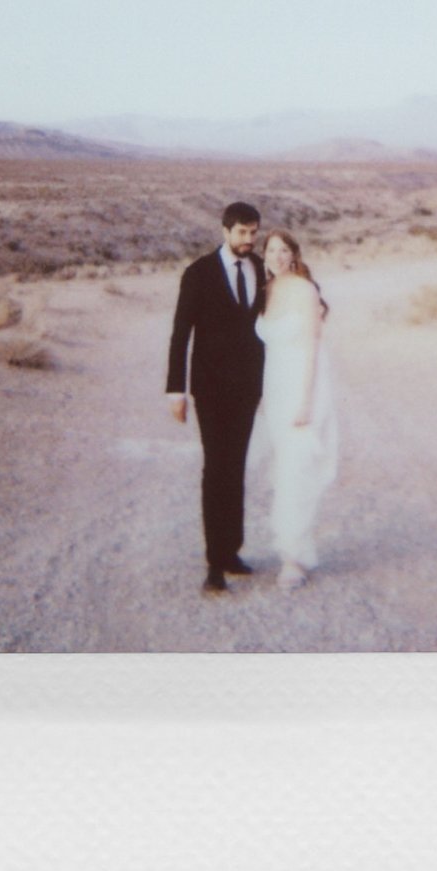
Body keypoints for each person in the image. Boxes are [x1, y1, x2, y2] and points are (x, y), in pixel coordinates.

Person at [166, 202, 266, 594]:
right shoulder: (199, 273)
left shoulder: (260, 268)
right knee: (216, 469)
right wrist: (176, 390)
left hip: (247, 389)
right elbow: (180, 334)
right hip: (209, 389)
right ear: (225, 231)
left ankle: (231, 551)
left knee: (236, 466)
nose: (249, 240)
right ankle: (214, 563)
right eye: (242, 232)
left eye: (254, 232)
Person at [254, 229, 340, 590]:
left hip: (301, 392)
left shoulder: (305, 291)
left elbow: (311, 348)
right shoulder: (266, 291)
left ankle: (294, 558)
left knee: (297, 472)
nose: (276, 256)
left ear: (294, 254)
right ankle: (288, 547)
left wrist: (305, 403)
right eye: (271, 250)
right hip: (273, 392)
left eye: (283, 250)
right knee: (282, 471)